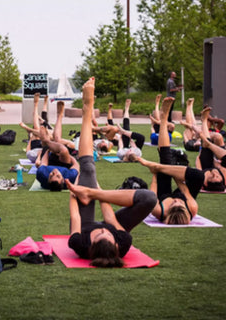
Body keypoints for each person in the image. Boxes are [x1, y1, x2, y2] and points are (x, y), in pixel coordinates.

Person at [65, 77, 157, 267]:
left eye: (101, 234)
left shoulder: (79, 243)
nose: (104, 230)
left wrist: (76, 193)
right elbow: (110, 219)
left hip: (83, 223)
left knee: (88, 169)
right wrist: (94, 191)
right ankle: (87, 111)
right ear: (116, 243)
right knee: (149, 199)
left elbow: (75, 216)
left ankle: (87, 109)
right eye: (109, 234)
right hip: (112, 218)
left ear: (91, 245)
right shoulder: (123, 242)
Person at [136, 97, 204, 225]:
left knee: (165, 159)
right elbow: (184, 190)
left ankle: (164, 118)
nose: (176, 201)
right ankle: (163, 118)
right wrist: (168, 169)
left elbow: (152, 194)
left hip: (163, 194)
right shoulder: (192, 208)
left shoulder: (158, 211)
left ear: (168, 211)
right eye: (180, 203)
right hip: (184, 191)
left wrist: (156, 172)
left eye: (174, 204)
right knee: (199, 176)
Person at [183, 106, 226, 191]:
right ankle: (208, 143)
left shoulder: (202, 177)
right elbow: (221, 165)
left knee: (205, 147)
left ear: (206, 182)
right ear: (222, 180)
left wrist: (202, 152)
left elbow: (198, 162)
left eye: (211, 177)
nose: (214, 174)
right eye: (217, 176)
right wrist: (216, 162)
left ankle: (204, 120)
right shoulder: (225, 176)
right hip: (223, 164)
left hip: (206, 165)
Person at [35, 101, 79, 191]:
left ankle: (59, 116)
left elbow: (44, 162)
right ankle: (59, 116)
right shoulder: (70, 178)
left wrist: (48, 150)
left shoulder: (42, 175)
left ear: (48, 179)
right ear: (63, 180)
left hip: (49, 159)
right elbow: (76, 164)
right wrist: (69, 155)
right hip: (65, 163)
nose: (54, 172)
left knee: (57, 141)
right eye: (58, 176)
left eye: (51, 175)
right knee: (62, 148)